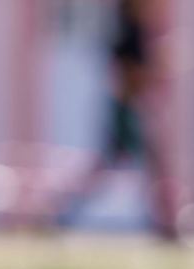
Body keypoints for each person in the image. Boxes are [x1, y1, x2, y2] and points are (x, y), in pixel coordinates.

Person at [59, 0, 175, 240]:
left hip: (129, 110)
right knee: (151, 167)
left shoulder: (135, 31)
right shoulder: (128, 33)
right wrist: (157, 69)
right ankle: (164, 225)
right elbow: (127, 76)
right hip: (127, 112)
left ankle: (65, 216)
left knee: (111, 170)